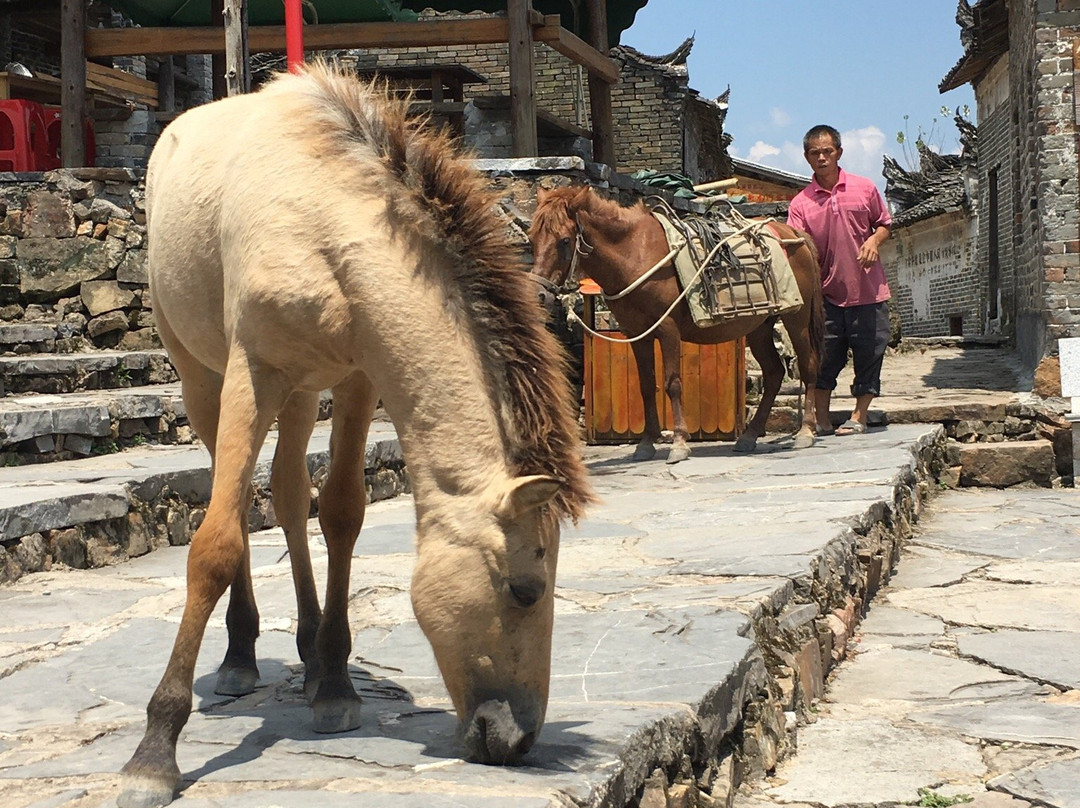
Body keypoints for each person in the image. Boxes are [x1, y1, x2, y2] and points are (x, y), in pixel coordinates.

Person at [787, 124, 892, 436]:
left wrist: (873, 242)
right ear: (806, 158)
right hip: (825, 297)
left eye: (827, 151)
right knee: (821, 360)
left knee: (870, 355)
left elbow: (884, 224)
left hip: (868, 291)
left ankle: (858, 417)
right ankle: (821, 419)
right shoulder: (800, 204)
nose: (822, 157)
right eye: (815, 153)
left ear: (839, 153)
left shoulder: (864, 188)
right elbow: (795, 247)